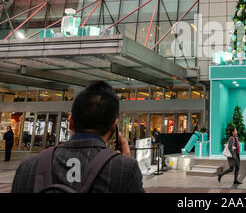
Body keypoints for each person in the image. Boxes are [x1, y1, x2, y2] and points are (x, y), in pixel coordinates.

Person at [11, 81, 145, 193]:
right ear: (113, 126)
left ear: (70, 122)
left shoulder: (28, 167)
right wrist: (123, 161)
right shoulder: (123, 169)